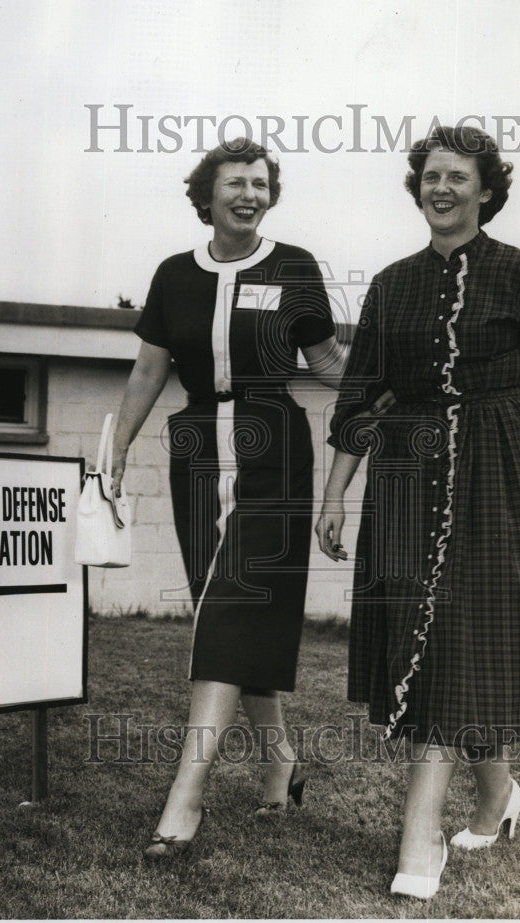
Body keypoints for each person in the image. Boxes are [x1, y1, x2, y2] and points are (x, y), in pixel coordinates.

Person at [316, 125, 520, 899]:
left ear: (485, 189)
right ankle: (498, 795)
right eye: (430, 176)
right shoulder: (391, 285)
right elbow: (361, 393)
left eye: (457, 177)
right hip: (412, 468)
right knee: (426, 633)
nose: (441, 188)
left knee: (468, 637)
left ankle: (419, 830)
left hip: (504, 469)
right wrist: (334, 492)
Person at [111, 138, 389, 859]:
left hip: (274, 443)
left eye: (261, 184)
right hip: (197, 442)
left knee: (229, 612)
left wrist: (386, 395)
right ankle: (280, 765)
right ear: (205, 194)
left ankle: (185, 797)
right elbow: (148, 370)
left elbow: (327, 360)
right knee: (219, 606)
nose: (249, 194)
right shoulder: (173, 274)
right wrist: (111, 454)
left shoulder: (293, 266)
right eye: (235, 183)